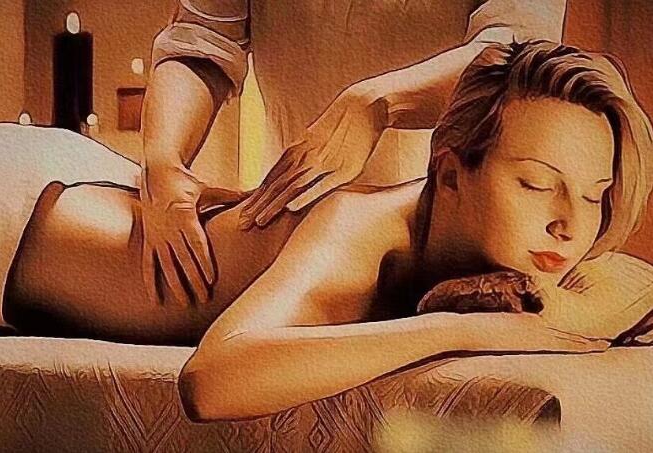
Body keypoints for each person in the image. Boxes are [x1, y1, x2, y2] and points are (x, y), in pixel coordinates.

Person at [174, 40, 653, 422]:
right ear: (450, 175)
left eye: (593, 196)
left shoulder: (529, 256)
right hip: (130, 235)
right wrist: (461, 330)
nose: (569, 226)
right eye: (537, 184)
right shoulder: (360, 226)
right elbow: (212, 382)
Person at [141, 0, 569, 308]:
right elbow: (203, 41)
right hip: (298, 225)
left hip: (451, 246)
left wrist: (383, 103)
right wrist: (162, 161)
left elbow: (519, 54)